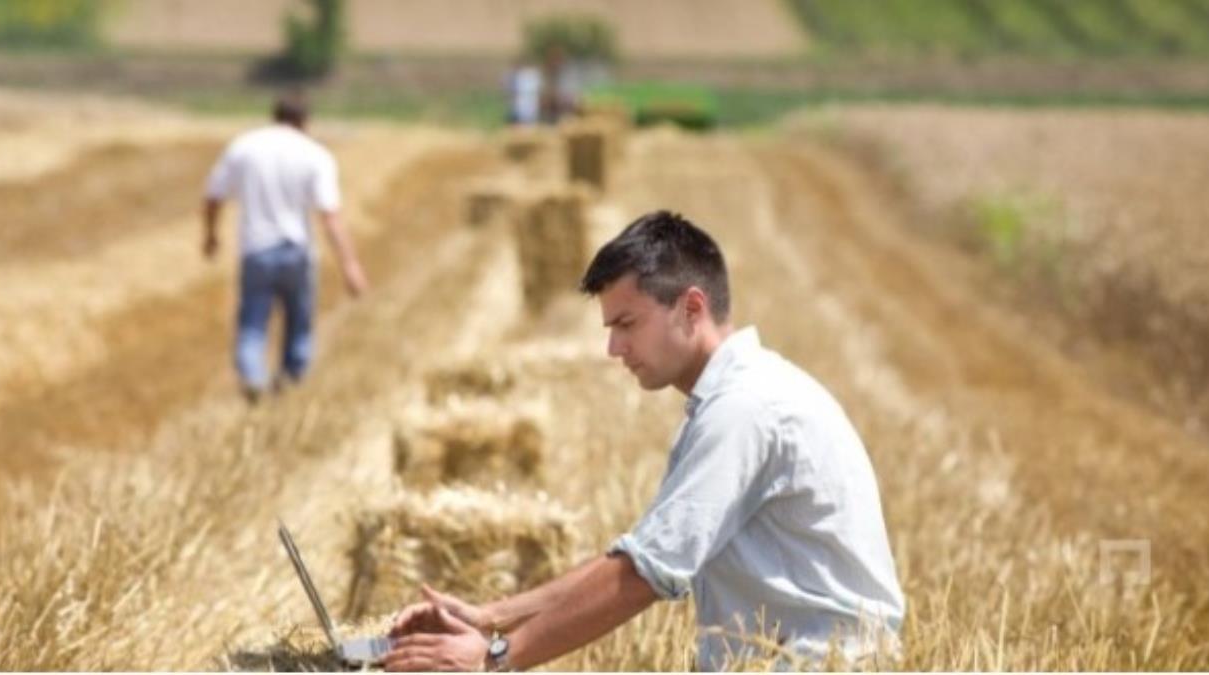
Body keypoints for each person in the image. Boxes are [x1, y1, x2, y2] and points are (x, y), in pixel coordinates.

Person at [382, 211, 905, 671]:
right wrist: (491, 618)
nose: (614, 347)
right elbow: (641, 555)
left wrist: (495, 657)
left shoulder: (746, 409)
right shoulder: (737, 397)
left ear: (691, 307)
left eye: (627, 324)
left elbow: (645, 575)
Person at [202, 92, 367, 402]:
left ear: (274, 115)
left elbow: (213, 196)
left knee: (252, 324)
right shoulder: (314, 154)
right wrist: (350, 265)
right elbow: (330, 217)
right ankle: (290, 384)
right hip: (297, 251)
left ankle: (253, 377)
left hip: (256, 250)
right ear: (305, 120)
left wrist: (210, 236)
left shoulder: (245, 147)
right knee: (299, 325)